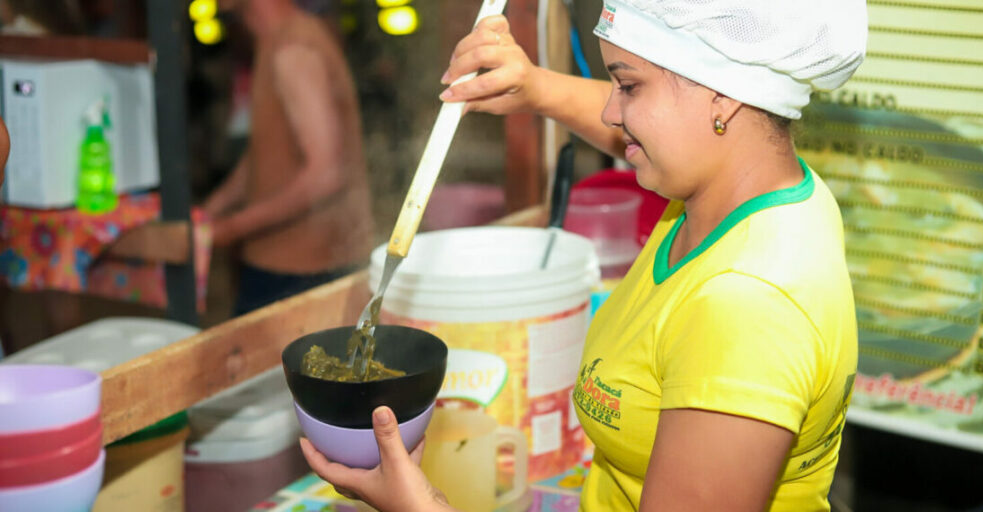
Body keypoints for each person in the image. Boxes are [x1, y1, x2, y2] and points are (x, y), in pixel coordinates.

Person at [299, 1, 865, 510]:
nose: (610, 113)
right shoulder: (757, 193)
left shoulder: (747, 306)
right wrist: (534, 87)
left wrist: (418, 506)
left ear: (723, 93)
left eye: (629, 86)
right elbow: (665, 116)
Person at [205, 0, 374, 315]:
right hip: (280, 265)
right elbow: (262, 150)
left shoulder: (293, 47)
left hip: (304, 272)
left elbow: (326, 174)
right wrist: (211, 211)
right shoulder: (274, 39)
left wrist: (232, 228)